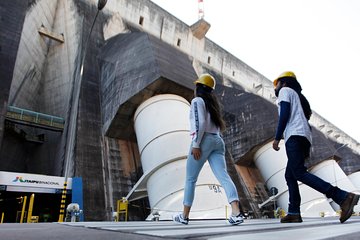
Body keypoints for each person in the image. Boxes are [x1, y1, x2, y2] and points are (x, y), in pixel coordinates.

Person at [272, 71, 359, 223]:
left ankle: (343, 197)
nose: (276, 87)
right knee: (290, 175)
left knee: (298, 172)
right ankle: (294, 212)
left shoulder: (285, 91)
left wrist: (277, 137)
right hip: (304, 137)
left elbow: (284, 114)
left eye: (277, 83)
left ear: (284, 82)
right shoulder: (299, 99)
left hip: (294, 136)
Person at [172, 74, 244, 225]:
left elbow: (201, 122)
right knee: (224, 176)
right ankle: (236, 212)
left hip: (203, 140)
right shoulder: (213, 104)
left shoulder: (197, 101)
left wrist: (196, 144)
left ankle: (184, 216)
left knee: (190, 179)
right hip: (218, 141)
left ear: (198, 87)